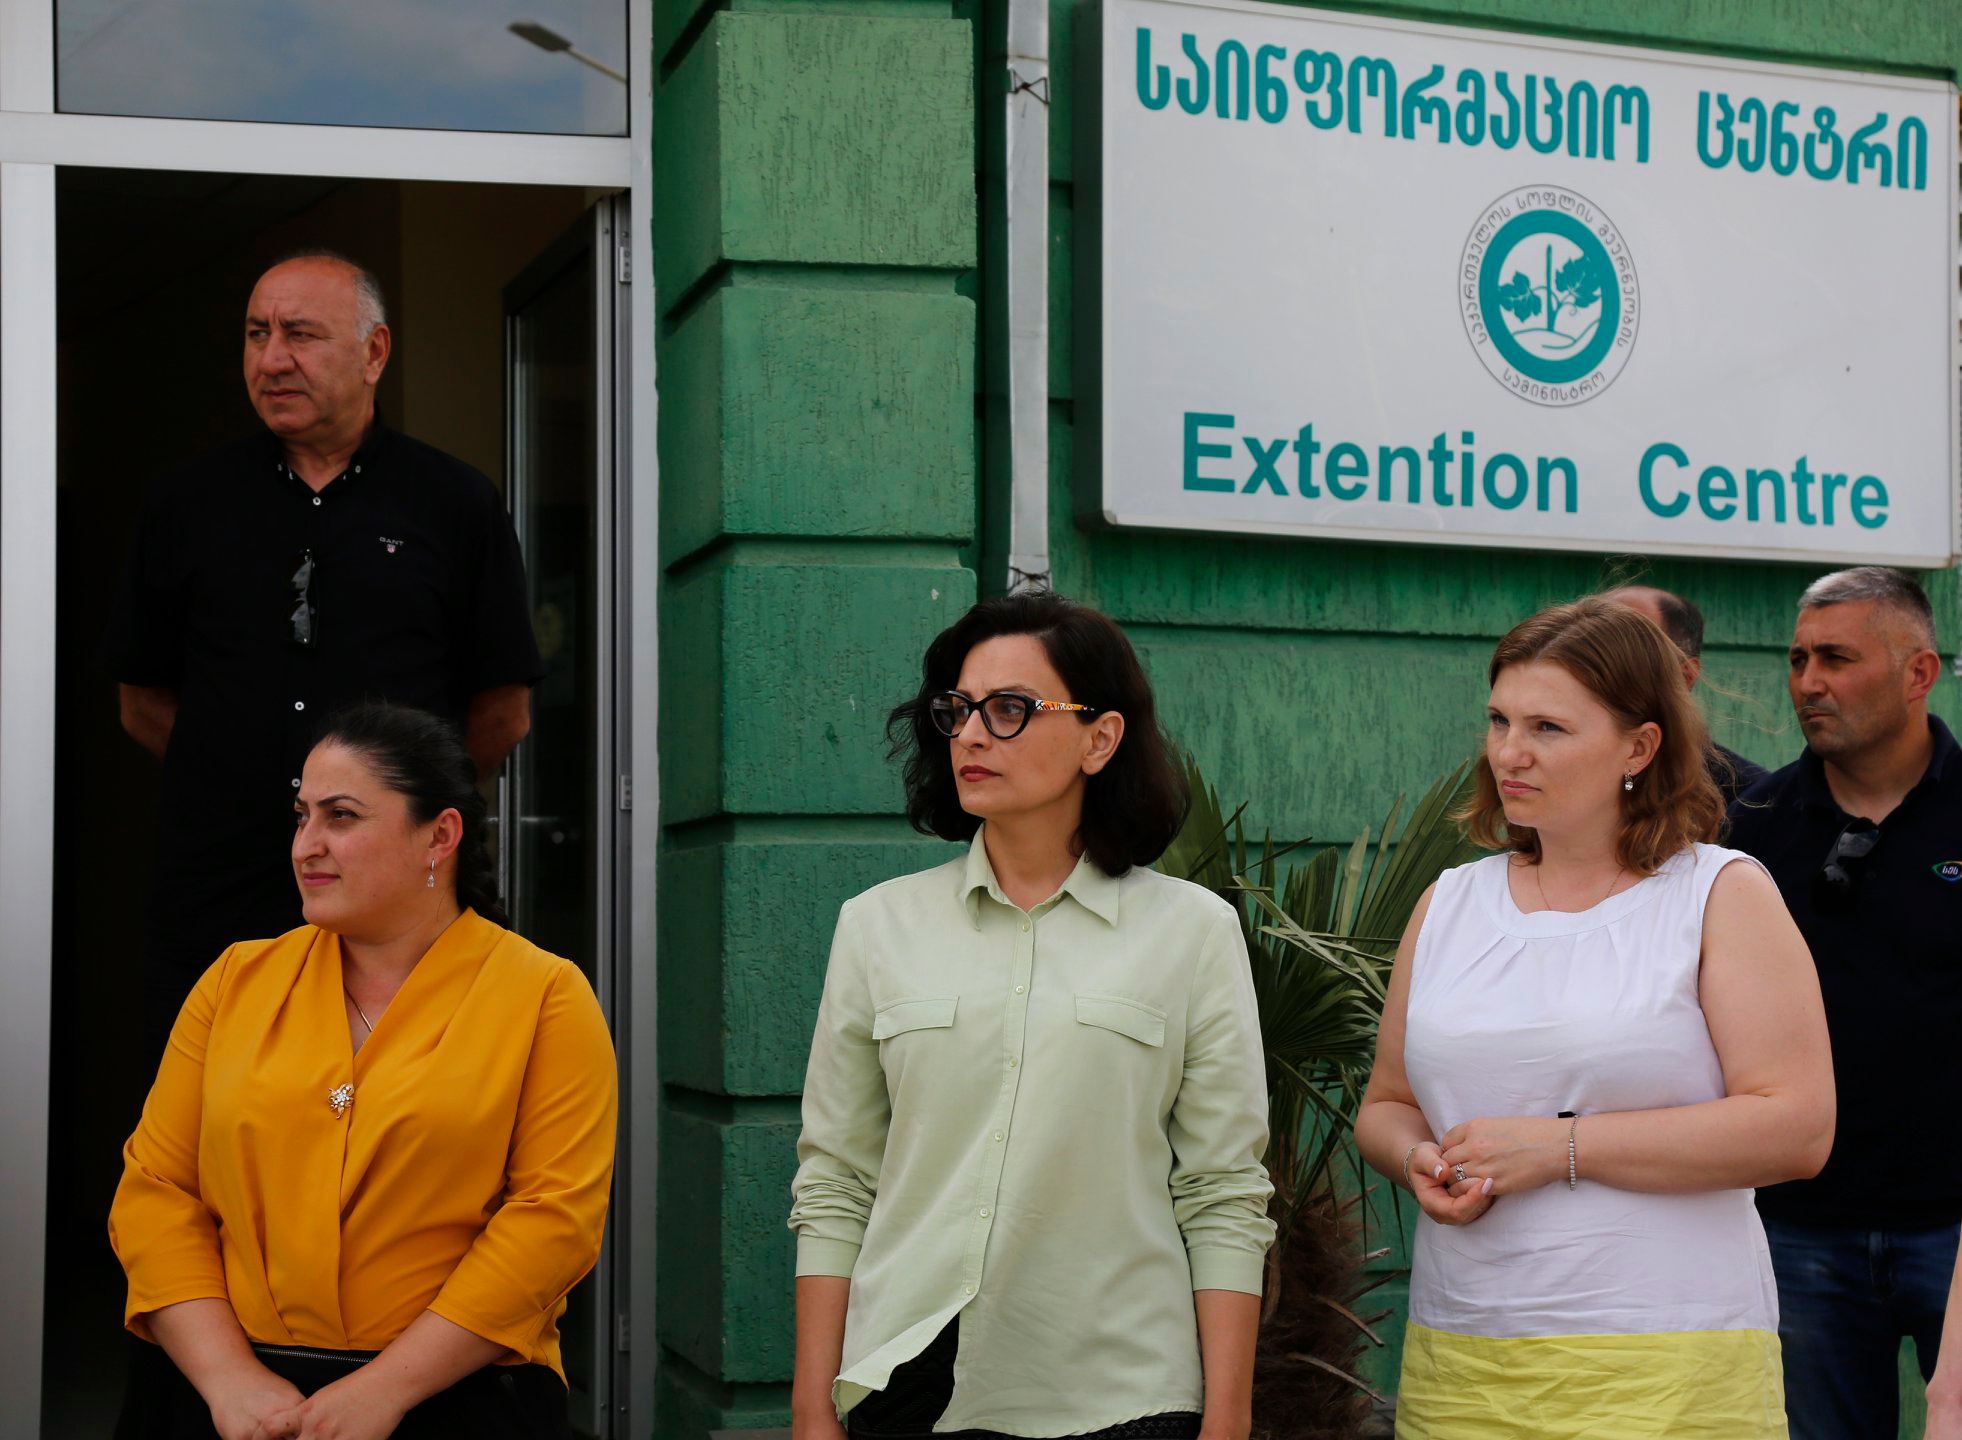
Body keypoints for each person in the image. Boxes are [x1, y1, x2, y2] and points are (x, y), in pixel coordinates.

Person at [788, 591, 1274, 1440]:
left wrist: (1227, 1422)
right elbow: (836, 1181)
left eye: (1010, 709)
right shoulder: (876, 926)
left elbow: (1223, 1191)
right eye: (958, 710)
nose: (971, 736)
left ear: (1100, 739)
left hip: (1122, 1394)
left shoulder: (1193, 933)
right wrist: (810, 1405)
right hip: (907, 1380)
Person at [1356, 595, 1835, 1439]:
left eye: (1547, 727)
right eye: (1499, 720)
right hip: (1465, 1358)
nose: (1509, 751)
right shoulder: (1450, 902)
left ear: (1639, 747)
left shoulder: (1719, 894)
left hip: (1670, 1364)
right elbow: (1388, 1103)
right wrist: (1417, 1158)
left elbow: (1797, 1127)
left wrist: (1561, 1148)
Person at [108, 702, 615, 1440]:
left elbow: (554, 1220)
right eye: (301, 817)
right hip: (226, 1402)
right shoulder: (235, 981)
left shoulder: (543, 995)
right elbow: (156, 1192)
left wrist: (385, 1390)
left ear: (439, 835)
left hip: (458, 1397)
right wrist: (229, 1380)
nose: (305, 846)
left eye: (340, 816)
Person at [108, 250, 543, 1062]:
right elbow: (143, 702)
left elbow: (501, 712)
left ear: (374, 353)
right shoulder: (186, 505)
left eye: (300, 335)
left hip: (399, 898)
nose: (272, 359)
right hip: (220, 890)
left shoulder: (453, 503)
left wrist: (393, 808)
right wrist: (242, 777)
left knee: (406, 1099)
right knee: (214, 1105)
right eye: (257, 334)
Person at [1725, 566, 1958, 1440]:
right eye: (1798, 660)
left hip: (1956, 1228)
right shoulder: (1751, 826)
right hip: (1799, 1230)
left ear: (1918, 672)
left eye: (1836, 658)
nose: (1808, 683)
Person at [1605, 583, 1768, 804]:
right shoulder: (1562, 764)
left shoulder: (1749, 797)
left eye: (1627, 650)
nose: (1599, 666)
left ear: (1685, 676)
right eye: (1588, 646)